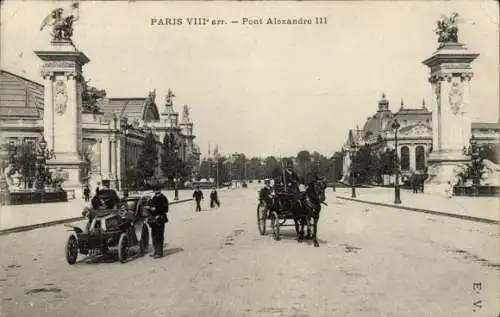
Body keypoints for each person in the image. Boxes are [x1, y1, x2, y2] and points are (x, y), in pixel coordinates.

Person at [148, 185, 169, 258]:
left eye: (157, 190)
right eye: (154, 190)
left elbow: (165, 209)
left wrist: (155, 209)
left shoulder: (163, 198)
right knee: (154, 236)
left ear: (160, 190)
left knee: (159, 236)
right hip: (153, 220)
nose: (156, 191)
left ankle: (159, 253)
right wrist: (150, 208)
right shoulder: (153, 198)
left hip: (160, 219)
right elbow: (150, 206)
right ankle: (156, 251)